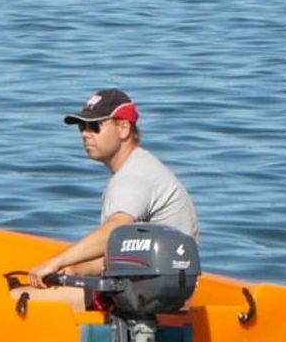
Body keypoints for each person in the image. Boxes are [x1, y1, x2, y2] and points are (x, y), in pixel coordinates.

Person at [22, 88, 199, 290]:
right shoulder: (141, 166)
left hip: (143, 296)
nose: (86, 134)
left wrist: (56, 262)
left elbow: (113, 231)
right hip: (158, 290)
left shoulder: (133, 177)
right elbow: (128, 253)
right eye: (82, 126)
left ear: (123, 128)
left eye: (95, 126)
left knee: (18, 298)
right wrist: (77, 269)